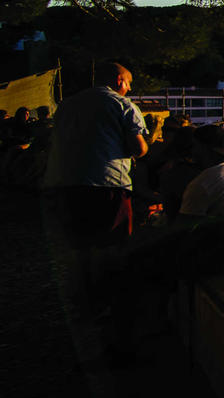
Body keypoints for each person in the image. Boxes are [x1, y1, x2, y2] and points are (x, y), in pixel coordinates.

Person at [42, 62, 149, 312]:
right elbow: (139, 149)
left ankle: (80, 296)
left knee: (79, 244)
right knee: (111, 243)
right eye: (129, 82)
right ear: (120, 80)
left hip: (66, 182)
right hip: (107, 183)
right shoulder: (122, 105)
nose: (130, 88)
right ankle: (106, 299)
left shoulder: (68, 104)